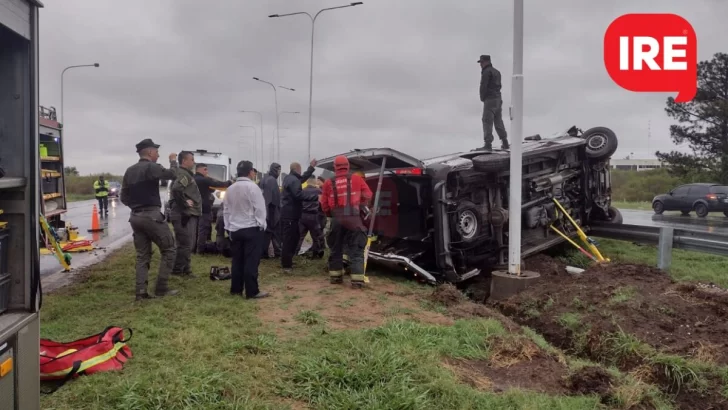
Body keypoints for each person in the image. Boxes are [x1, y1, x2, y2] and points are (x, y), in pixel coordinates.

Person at [120, 138, 180, 301]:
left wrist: (135, 206)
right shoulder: (151, 167)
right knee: (169, 249)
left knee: (142, 255)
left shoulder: (129, 171)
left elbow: (123, 196)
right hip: (151, 216)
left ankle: (141, 292)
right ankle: (161, 288)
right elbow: (173, 175)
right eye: (157, 152)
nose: (158, 155)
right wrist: (173, 161)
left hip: (135, 217)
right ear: (150, 152)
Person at [320, 156, 373, 288]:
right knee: (356, 249)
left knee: (335, 248)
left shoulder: (328, 182)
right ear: (347, 166)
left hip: (336, 218)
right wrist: (360, 206)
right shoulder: (356, 178)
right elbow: (368, 195)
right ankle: (357, 282)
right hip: (353, 217)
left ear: (335, 167)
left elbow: (324, 204)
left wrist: (330, 214)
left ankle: (336, 278)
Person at [223, 160, 269, 299]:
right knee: (251, 261)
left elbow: (226, 210)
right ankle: (252, 291)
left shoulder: (230, 188)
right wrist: (262, 225)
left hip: (235, 229)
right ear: (250, 172)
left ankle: (236, 289)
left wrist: (228, 227)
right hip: (251, 228)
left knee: (237, 261)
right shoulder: (253, 187)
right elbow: (260, 209)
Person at [280, 160, 318, 272]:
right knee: (289, 239)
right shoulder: (293, 180)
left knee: (295, 237)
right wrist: (315, 197)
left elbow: (302, 179)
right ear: (297, 169)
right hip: (291, 215)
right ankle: (286, 264)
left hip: (290, 214)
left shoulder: (290, 178)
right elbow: (298, 195)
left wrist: (311, 168)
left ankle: (288, 261)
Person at [169, 151, 201, 277]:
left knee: (187, 243)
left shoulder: (185, 173)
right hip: (183, 214)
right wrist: (184, 203)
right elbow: (176, 189)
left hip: (186, 214)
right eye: (192, 160)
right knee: (185, 244)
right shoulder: (184, 174)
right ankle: (178, 270)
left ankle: (186, 269)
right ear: (184, 161)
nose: (193, 162)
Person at [194, 163, 232, 254]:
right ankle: (201, 248)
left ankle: (197, 247)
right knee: (203, 228)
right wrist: (230, 182)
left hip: (197, 208)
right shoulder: (202, 179)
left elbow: (211, 189)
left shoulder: (195, 179)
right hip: (204, 208)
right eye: (205, 170)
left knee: (198, 229)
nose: (207, 172)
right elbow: (219, 184)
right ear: (200, 170)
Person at [478, 54, 509, 151]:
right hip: (498, 99)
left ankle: (488, 144)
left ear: (486, 62)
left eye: (482, 62)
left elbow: (483, 86)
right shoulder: (497, 72)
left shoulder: (486, 72)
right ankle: (505, 142)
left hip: (490, 99)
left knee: (487, 120)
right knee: (498, 120)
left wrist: (483, 98)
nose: (480, 64)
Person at [295, 176, 324, 258]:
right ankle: (315, 254)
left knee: (300, 236)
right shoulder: (318, 191)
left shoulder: (302, 191)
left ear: (307, 181)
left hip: (303, 215)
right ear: (314, 182)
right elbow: (322, 203)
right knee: (315, 236)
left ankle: (295, 252)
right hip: (313, 216)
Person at [258, 163, 282, 259]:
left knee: (266, 234)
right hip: (271, 210)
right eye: (278, 170)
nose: (279, 172)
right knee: (275, 233)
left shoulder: (263, 179)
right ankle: (278, 252)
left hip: (264, 210)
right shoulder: (272, 181)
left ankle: (263, 253)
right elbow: (274, 199)